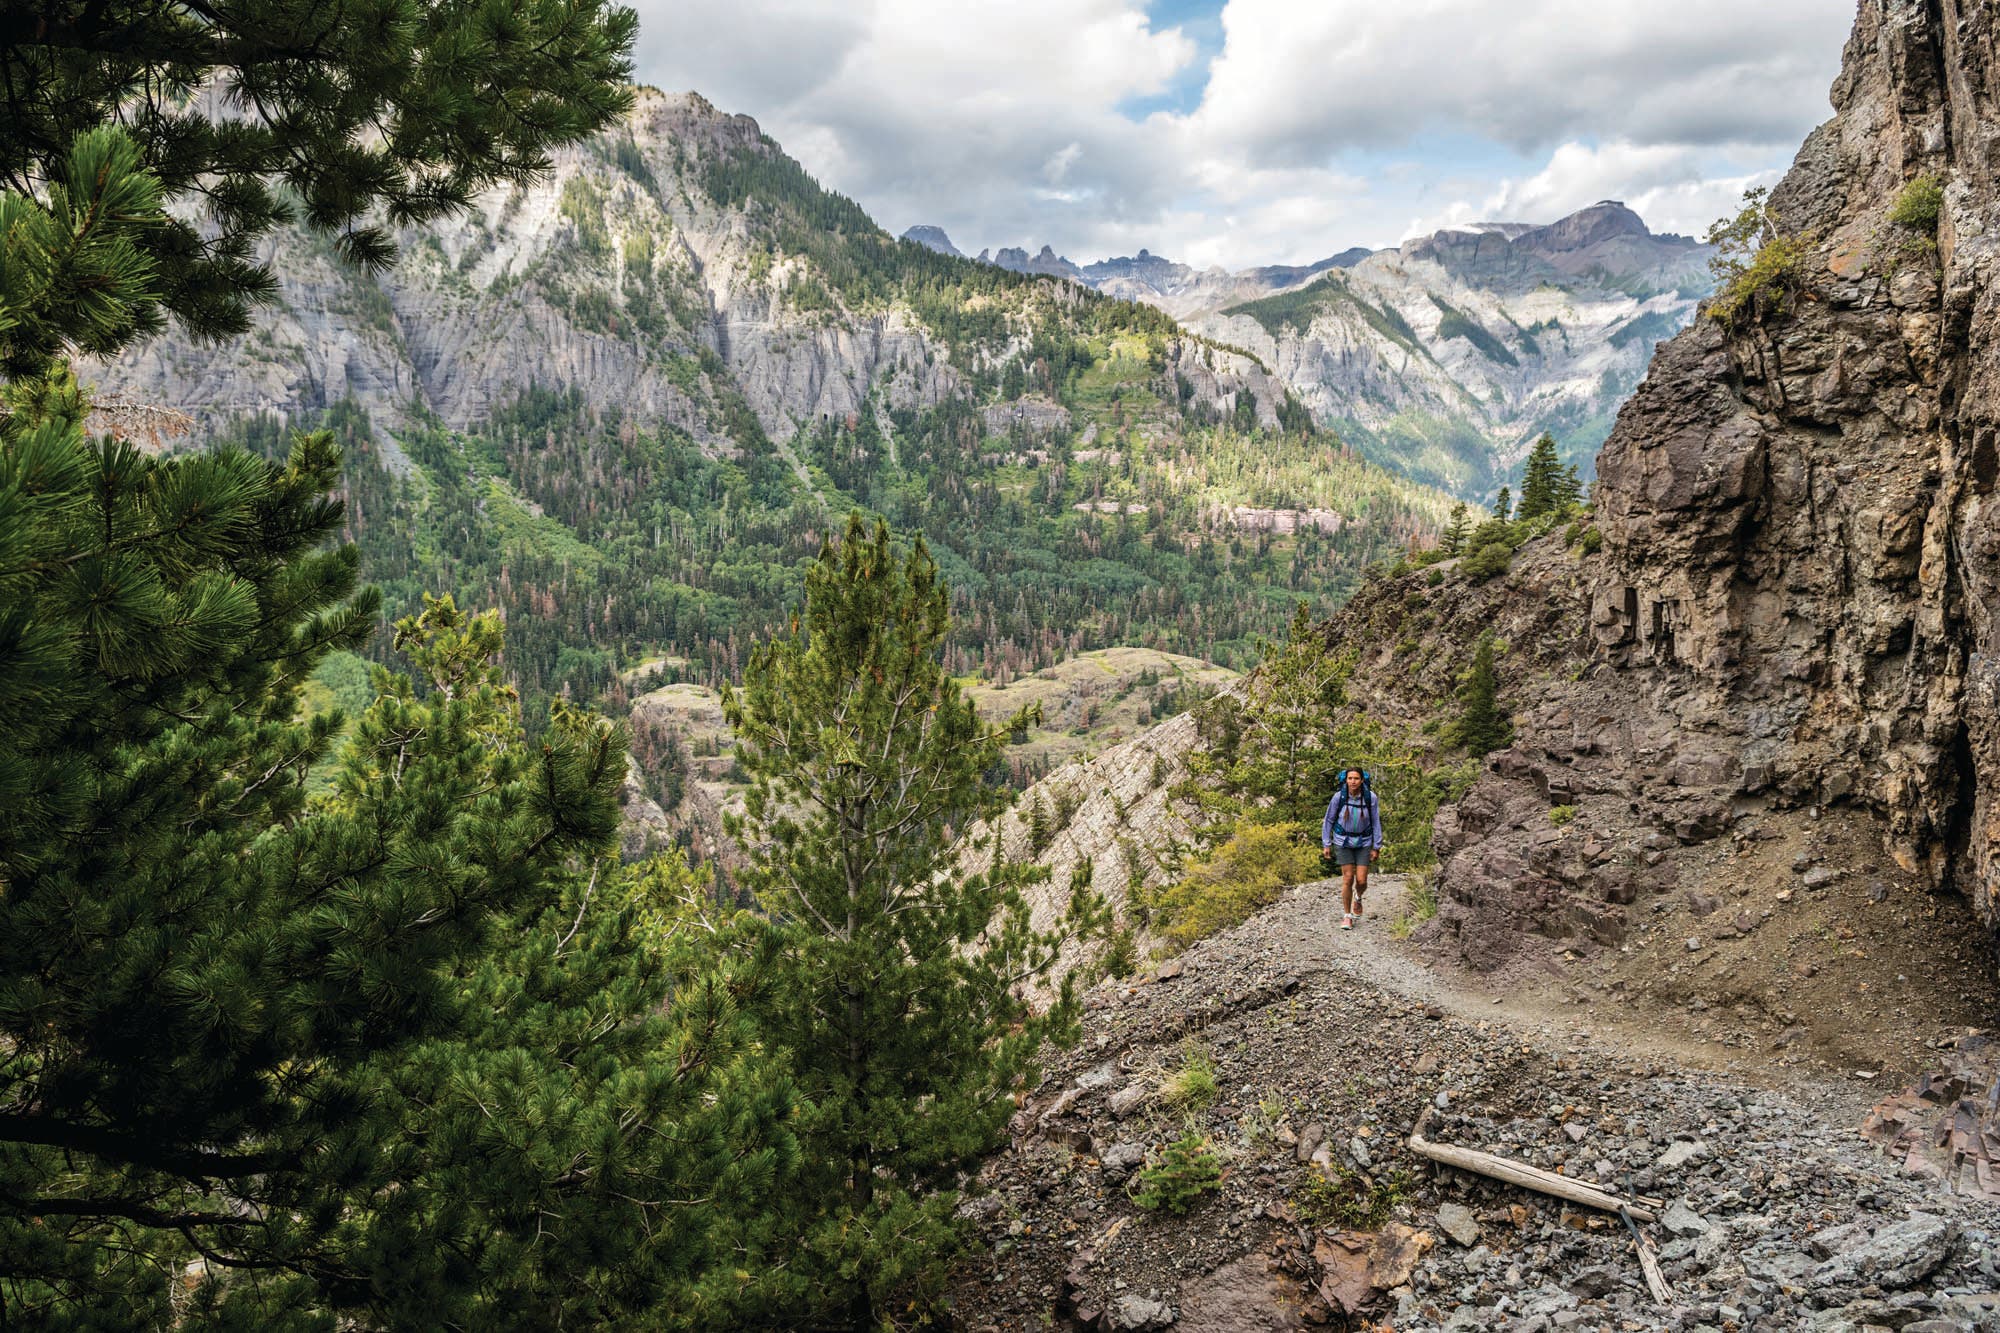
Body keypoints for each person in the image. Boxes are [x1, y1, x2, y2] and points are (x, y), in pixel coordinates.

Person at [1321, 767, 1382, 931]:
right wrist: (1326, 843)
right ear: (1346, 780)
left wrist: (1377, 846)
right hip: (1343, 841)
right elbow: (1328, 820)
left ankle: (1358, 896)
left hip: (1364, 841)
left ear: (1362, 780)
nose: (1353, 782)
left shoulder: (1371, 798)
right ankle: (1347, 916)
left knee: (1362, 880)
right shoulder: (1338, 797)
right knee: (1348, 878)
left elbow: (1376, 821)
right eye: (1350, 778)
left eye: (1356, 778)